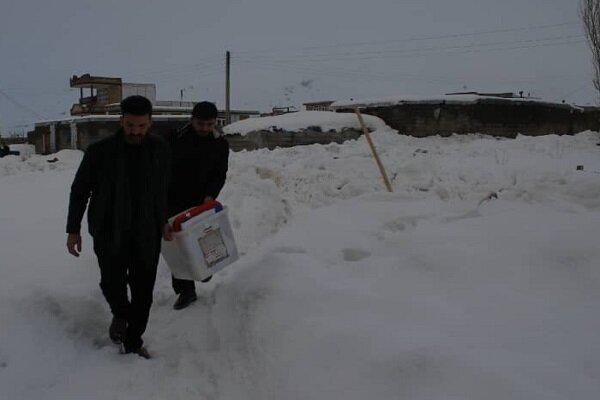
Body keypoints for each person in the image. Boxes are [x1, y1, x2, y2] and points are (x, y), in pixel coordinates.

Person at [66, 95, 170, 359]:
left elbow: (166, 190)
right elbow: (80, 191)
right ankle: (120, 314)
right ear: (121, 120)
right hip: (109, 230)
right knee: (112, 283)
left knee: (143, 291)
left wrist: (166, 220)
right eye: (130, 125)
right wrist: (73, 229)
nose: (135, 131)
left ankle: (134, 341)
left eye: (141, 126)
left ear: (150, 122)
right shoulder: (100, 152)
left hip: (147, 232)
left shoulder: (159, 149)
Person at [163, 101, 229, 310]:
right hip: (173, 200)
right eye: (200, 124)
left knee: (205, 240)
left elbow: (220, 174)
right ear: (192, 120)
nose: (205, 128)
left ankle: (205, 268)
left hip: (203, 202)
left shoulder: (220, 144)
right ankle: (185, 291)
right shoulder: (174, 139)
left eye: (209, 124)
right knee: (177, 248)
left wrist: (211, 195)